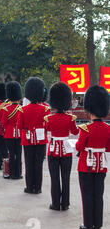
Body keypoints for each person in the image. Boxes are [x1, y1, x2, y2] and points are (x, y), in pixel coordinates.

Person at [76, 85, 109, 229]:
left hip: (86, 166)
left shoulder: (85, 129)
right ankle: (98, 225)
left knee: (87, 195)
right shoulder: (108, 129)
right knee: (98, 195)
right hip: (101, 165)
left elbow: (78, 147)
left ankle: (88, 225)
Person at [45, 82, 79, 211]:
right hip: (66, 151)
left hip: (53, 150)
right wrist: (71, 117)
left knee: (54, 178)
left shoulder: (49, 118)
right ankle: (65, 203)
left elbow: (47, 128)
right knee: (66, 178)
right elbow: (75, 132)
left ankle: (55, 203)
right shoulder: (71, 118)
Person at [18, 77, 49, 194]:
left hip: (27, 139)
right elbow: (47, 126)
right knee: (38, 164)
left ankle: (30, 186)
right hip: (41, 140)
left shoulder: (23, 109)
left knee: (29, 164)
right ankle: (38, 188)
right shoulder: (45, 109)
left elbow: (20, 126)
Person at [0, 81, 23, 180]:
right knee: (18, 154)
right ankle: (18, 174)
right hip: (19, 135)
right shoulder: (21, 108)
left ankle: (12, 173)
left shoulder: (6, 109)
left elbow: (3, 123)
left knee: (11, 154)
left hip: (9, 134)